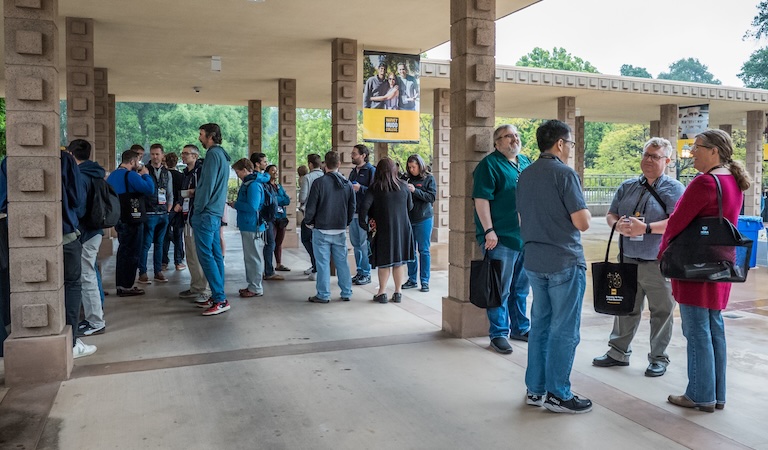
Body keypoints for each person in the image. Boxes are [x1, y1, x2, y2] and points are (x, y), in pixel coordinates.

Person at [660, 129, 751, 413]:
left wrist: (662, 252)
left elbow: (676, 222)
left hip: (694, 266)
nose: (692, 153)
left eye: (696, 147)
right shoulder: (732, 181)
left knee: (696, 330)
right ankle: (716, 394)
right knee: (714, 329)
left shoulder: (704, 183)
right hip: (721, 264)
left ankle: (699, 395)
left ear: (714, 151)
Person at [517, 119, 592, 414]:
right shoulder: (565, 174)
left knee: (540, 327)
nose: (570, 149)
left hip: (534, 260)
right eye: (570, 143)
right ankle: (559, 393)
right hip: (564, 259)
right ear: (560, 144)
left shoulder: (525, 174)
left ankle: (535, 390)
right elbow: (583, 222)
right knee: (564, 330)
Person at [592, 138, 685, 377]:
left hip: (657, 262)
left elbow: (677, 223)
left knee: (661, 312)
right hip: (628, 259)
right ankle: (617, 352)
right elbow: (611, 214)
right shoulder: (628, 186)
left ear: (667, 160)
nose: (648, 160)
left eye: (655, 156)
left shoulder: (674, 189)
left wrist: (646, 228)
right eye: (646, 155)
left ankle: (658, 358)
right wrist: (619, 226)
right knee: (624, 308)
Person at [473, 124, 532, 354]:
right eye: (508, 136)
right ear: (497, 142)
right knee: (500, 288)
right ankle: (498, 333)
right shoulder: (489, 165)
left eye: (516, 135)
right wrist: (489, 230)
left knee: (521, 288)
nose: (514, 139)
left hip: (525, 237)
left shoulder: (525, 162)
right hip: (500, 239)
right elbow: (481, 199)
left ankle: (520, 327)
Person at [359, 158, 414, 304]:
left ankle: (382, 293)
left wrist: (364, 223)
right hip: (403, 229)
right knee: (399, 261)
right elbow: (410, 207)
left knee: (385, 262)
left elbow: (364, 207)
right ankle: (398, 292)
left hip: (383, 229)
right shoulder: (403, 186)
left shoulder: (375, 188)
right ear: (394, 170)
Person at [304, 151, 355, 303]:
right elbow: (352, 206)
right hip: (339, 228)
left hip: (321, 228)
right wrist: (346, 222)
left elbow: (311, 207)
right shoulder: (347, 184)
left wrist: (309, 222)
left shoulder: (319, 183)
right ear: (339, 164)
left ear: (325, 164)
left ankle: (323, 294)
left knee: (323, 263)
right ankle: (346, 292)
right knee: (342, 262)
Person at [69, 140, 108, 337]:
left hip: (85, 232)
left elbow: (80, 208)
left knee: (87, 277)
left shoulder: (81, 176)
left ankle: (96, 321)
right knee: (90, 274)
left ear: (71, 153)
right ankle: (95, 318)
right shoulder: (97, 174)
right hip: (95, 231)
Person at [192, 123, 232, 316]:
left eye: (201, 134)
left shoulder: (212, 155)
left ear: (210, 136)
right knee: (215, 256)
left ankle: (219, 298)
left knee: (206, 256)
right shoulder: (222, 155)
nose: (199, 138)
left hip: (206, 213)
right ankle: (218, 295)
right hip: (214, 212)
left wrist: (197, 209)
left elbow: (206, 186)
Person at [59, 148, 94, 358]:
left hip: (25, 239)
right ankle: (70, 343)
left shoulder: (10, 160)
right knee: (73, 285)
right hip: (66, 232)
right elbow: (76, 199)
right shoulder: (64, 160)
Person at [107, 150, 154, 297]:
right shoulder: (131, 175)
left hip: (119, 218)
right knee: (133, 252)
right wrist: (145, 174)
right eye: (138, 161)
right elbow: (149, 189)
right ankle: (127, 286)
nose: (139, 164)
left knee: (123, 251)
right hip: (133, 218)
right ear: (132, 162)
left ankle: (121, 284)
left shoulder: (112, 176)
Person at [177, 144, 211, 304]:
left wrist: (191, 193)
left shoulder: (199, 172)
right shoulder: (187, 173)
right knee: (190, 254)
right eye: (182, 153)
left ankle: (204, 289)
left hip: (196, 217)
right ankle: (196, 286)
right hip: (187, 217)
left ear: (195, 156)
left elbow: (203, 191)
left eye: (186, 153)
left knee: (198, 254)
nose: (183, 156)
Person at [138, 143, 173, 284]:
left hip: (163, 212)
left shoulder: (167, 173)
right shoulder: (144, 170)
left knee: (160, 244)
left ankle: (158, 271)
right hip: (149, 211)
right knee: (145, 244)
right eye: (152, 154)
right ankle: (143, 272)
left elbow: (170, 192)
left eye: (157, 154)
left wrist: (168, 209)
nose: (155, 156)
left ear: (162, 155)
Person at [231, 158, 266, 298]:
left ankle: (256, 287)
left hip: (252, 226)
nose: (237, 175)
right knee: (250, 257)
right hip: (249, 225)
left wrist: (236, 205)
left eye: (238, 171)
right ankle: (252, 285)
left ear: (245, 170)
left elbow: (253, 206)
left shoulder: (252, 186)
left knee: (253, 258)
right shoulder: (251, 184)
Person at [401, 154, 436, 293]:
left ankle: (425, 280)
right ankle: (412, 279)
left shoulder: (429, 178)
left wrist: (415, 191)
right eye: (409, 167)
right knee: (410, 250)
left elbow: (431, 197)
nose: (411, 169)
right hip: (409, 218)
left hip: (424, 218)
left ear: (420, 166)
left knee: (424, 250)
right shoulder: (405, 178)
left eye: (414, 167)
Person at [349, 144, 376, 286]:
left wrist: (361, 188)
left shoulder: (371, 171)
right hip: (353, 213)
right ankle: (359, 271)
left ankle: (366, 272)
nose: (352, 155)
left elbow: (375, 191)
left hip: (364, 213)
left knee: (364, 244)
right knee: (355, 244)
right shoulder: (353, 172)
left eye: (354, 153)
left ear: (363, 155)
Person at [299, 153, 323, 280]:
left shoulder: (307, 178)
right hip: (323, 215)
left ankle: (315, 266)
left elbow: (302, 197)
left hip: (310, 215)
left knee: (306, 239)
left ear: (310, 164)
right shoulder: (325, 176)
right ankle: (317, 266)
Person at [264, 164, 292, 272]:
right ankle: (268, 267)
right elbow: (270, 200)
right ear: (267, 173)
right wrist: (278, 199)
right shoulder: (265, 186)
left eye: (276, 171)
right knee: (271, 242)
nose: (275, 173)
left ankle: (279, 264)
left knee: (279, 242)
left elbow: (287, 200)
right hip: (271, 217)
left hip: (281, 217)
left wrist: (276, 199)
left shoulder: (279, 186)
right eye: (273, 171)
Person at [162, 151, 185, 271]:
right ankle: (178, 261)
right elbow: (183, 192)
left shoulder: (163, 175)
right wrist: (179, 204)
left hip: (165, 207)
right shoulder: (181, 176)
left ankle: (164, 261)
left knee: (165, 235)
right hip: (178, 208)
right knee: (178, 235)